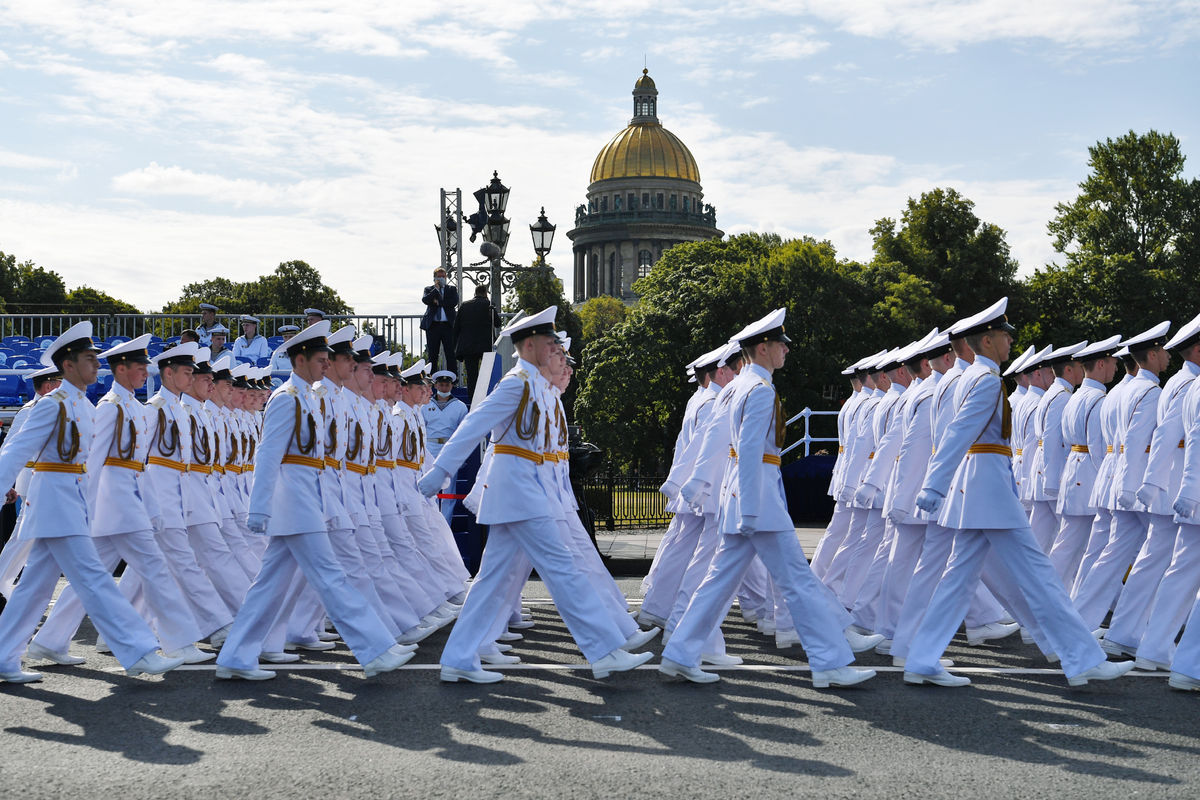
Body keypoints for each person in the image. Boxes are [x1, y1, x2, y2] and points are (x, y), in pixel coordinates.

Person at [905, 298, 1134, 688]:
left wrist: (939, 483)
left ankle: (922, 659)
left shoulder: (964, 380)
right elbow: (959, 434)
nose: (1011, 343)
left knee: (958, 581)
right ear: (988, 340)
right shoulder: (985, 381)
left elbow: (953, 433)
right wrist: (933, 483)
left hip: (978, 491)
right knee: (1040, 577)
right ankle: (1082, 659)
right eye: (1005, 336)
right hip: (987, 491)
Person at [418, 306, 654, 684]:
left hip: (531, 495)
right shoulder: (516, 384)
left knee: (492, 580)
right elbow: (473, 425)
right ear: (529, 345)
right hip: (520, 494)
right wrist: (440, 472)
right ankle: (605, 650)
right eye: (549, 342)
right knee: (564, 571)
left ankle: (460, 657)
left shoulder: (540, 389)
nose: (554, 348)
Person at [661, 308, 881, 687]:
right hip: (758, 499)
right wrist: (749, 506)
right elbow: (747, 451)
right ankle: (830, 663)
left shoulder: (735, 387)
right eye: (781, 344)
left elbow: (716, 442)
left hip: (742, 496)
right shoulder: (760, 389)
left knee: (719, 582)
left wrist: (696, 484)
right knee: (798, 580)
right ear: (763, 348)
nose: (786, 351)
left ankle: (680, 653)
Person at [215, 320, 414, 680]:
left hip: (309, 500)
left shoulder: (311, 398)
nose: (327, 364)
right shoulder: (286, 399)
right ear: (301, 359)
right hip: (294, 501)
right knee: (332, 577)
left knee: (267, 588)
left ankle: (236, 656)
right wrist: (259, 507)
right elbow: (268, 454)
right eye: (322, 358)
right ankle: (376, 649)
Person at [0, 321, 185, 683]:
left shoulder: (83, 405)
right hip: (55, 505)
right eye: (88, 359)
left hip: (71, 506)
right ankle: (139, 650)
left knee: (35, 588)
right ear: (67, 365)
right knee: (95, 580)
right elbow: (14, 452)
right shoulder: (51, 405)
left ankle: (5, 655)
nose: (95, 365)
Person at [423, 370, 468, 525]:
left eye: (447, 384)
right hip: (430, 446)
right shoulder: (426, 404)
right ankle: (433, 524)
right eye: (441, 384)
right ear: (435, 385)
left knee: (449, 490)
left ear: (451, 386)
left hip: (449, 448)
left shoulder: (460, 406)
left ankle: (445, 524)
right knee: (431, 488)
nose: (444, 387)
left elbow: (463, 432)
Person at [453, 284, 502, 395]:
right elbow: (498, 323)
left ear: (475, 293)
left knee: (472, 376)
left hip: (468, 346)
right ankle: (485, 397)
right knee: (486, 374)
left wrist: (455, 346)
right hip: (486, 346)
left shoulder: (464, 306)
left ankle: (472, 399)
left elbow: (456, 327)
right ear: (485, 293)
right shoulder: (489, 305)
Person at [421, 268, 459, 374]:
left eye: (443, 276)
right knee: (432, 354)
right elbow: (425, 300)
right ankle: (432, 379)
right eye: (439, 276)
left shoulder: (451, 289)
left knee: (450, 354)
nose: (441, 278)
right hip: (433, 326)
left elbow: (453, 302)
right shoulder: (429, 289)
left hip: (448, 326)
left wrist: (439, 302)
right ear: (435, 278)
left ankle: (453, 379)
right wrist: (436, 290)